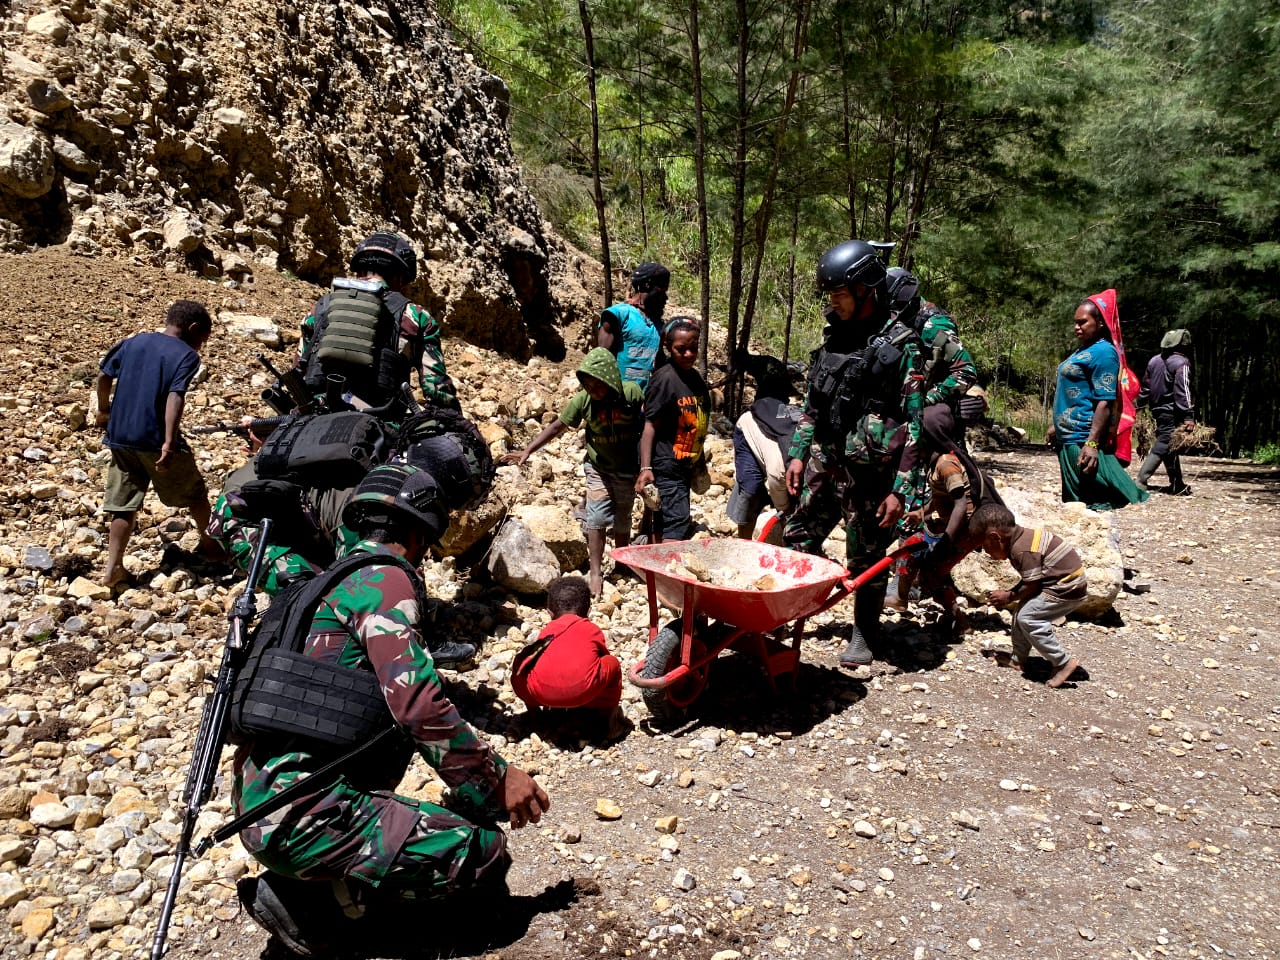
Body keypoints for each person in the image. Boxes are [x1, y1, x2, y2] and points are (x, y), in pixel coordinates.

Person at [233, 463, 548, 955]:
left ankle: (320, 880)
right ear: (418, 535)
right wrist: (497, 778)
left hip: (262, 807)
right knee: (483, 854)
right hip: (306, 819)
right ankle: (317, 906)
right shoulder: (385, 579)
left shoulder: (319, 582)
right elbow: (419, 705)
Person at [783, 240, 925, 668]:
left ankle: (864, 632)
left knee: (866, 554)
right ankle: (787, 613)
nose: (833, 303)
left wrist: (902, 491)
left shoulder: (902, 346)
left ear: (865, 289)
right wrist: (797, 453)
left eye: (840, 294)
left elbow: (915, 425)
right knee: (798, 535)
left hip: (871, 473)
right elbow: (812, 404)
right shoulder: (834, 337)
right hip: (825, 463)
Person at [95, 300, 222, 589]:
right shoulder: (186, 356)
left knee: (123, 505)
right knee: (196, 494)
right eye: (202, 339)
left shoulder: (133, 342)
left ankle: (113, 567)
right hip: (154, 438)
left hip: (120, 436)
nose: (200, 346)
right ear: (193, 329)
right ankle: (214, 550)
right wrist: (168, 442)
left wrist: (104, 411)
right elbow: (175, 397)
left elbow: (103, 376)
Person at [500, 348, 644, 596]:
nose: (592, 391)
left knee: (623, 514)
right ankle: (596, 570)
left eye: (597, 385)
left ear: (610, 379)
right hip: (599, 467)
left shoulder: (631, 394)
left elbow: (648, 426)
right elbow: (558, 427)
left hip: (628, 468)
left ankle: (624, 560)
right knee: (597, 518)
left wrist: (647, 466)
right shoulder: (583, 401)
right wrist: (527, 450)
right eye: (587, 385)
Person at [296, 230, 459, 414]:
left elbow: (299, 372)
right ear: (399, 277)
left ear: (358, 271)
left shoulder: (319, 309)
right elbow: (436, 390)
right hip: (380, 421)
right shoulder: (415, 316)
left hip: (313, 417)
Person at [893, 409, 1001, 638]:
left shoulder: (946, 464)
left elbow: (960, 504)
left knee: (932, 572)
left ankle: (959, 620)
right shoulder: (934, 463)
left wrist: (947, 542)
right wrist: (921, 512)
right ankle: (900, 599)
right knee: (909, 550)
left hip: (961, 531)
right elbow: (942, 497)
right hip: (944, 527)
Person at [1047, 298, 1149, 510]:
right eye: (1075, 322)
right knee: (1076, 501)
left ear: (1100, 323)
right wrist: (1056, 426)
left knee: (1095, 501)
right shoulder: (1083, 351)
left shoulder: (1103, 353)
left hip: (1082, 436)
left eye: (1083, 322)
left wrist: (1092, 443)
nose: (1077, 327)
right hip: (1068, 435)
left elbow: (1105, 400)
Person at [969, 502, 1086, 689]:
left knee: (1028, 617)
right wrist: (1012, 595)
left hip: (1065, 588)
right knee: (1020, 614)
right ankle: (1018, 659)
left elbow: (1032, 584)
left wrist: (1009, 596)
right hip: (1059, 583)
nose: (986, 552)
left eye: (984, 546)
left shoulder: (1022, 549)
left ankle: (1062, 662)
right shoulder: (1023, 539)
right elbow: (1031, 580)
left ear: (995, 537)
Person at [510, 575, 626, 740]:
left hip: (542, 694)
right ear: (588, 611)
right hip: (584, 693)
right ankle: (607, 722)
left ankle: (536, 717)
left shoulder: (547, 631)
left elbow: (530, 660)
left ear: (549, 613)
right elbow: (600, 659)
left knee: (520, 663)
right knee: (612, 663)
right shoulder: (591, 629)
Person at [635, 317, 711, 542]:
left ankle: (657, 569)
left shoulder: (694, 378)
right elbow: (649, 425)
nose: (688, 354)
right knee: (677, 523)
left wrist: (699, 462)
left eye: (693, 348)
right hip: (667, 464)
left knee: (664, 518)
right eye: (681, 349)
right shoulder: (665, 379)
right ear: (668, 347)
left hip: (685, 462)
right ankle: (669, 572)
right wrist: (645, 467)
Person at [725, 351, 803, 539]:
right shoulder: (783, 466)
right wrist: (784, 510)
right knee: (750, 488)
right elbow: (777, 476)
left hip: (772, 414)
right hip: (748, 429)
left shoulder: (797, 419)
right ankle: (743, 543)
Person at [1136, 328, 1195, 495]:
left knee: (1170, 446)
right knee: (1165, 442)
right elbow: (1183, 390)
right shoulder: (1181, 363)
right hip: (1172, 410)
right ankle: (1141, 479)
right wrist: (1188, 415)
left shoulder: (1154, 361)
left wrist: (1139, 405)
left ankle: (1177, 483)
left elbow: (1145, 387)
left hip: (1157, 409)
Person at [597, 262, 669, 392]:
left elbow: (659, 362)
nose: (665, 298)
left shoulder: (658, 325)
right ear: (647, 286)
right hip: (618, 398)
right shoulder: (618, 315)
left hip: (646, 402)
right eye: (661, 291)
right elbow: (601, 360)